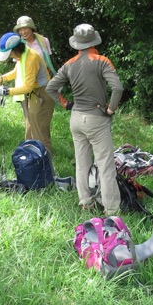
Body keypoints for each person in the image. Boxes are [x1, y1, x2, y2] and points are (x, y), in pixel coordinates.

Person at [46, 24, 124, 215]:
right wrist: (111, 108)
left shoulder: (69, 64)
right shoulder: (102, 61)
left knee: (82, 163)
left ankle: (86, 202)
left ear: (77, 44)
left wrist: (65, 104)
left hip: (76, 119)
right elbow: (118, 88)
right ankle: (111, 209)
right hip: (97, 119)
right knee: (105, 164)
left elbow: (50, 87)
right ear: (94, 41)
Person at [0, 32, 54, 150]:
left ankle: (45, 158)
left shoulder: (31, 59)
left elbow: (28, 87)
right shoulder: (23, 55)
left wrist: (7, 91)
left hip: (43, 93)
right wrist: (1, 78)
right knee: (30, 125)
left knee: (40, 129)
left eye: (10, 53)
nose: (10, 56)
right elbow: (17, 72)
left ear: (16, 49)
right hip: (35, 94)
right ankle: (32, 154)